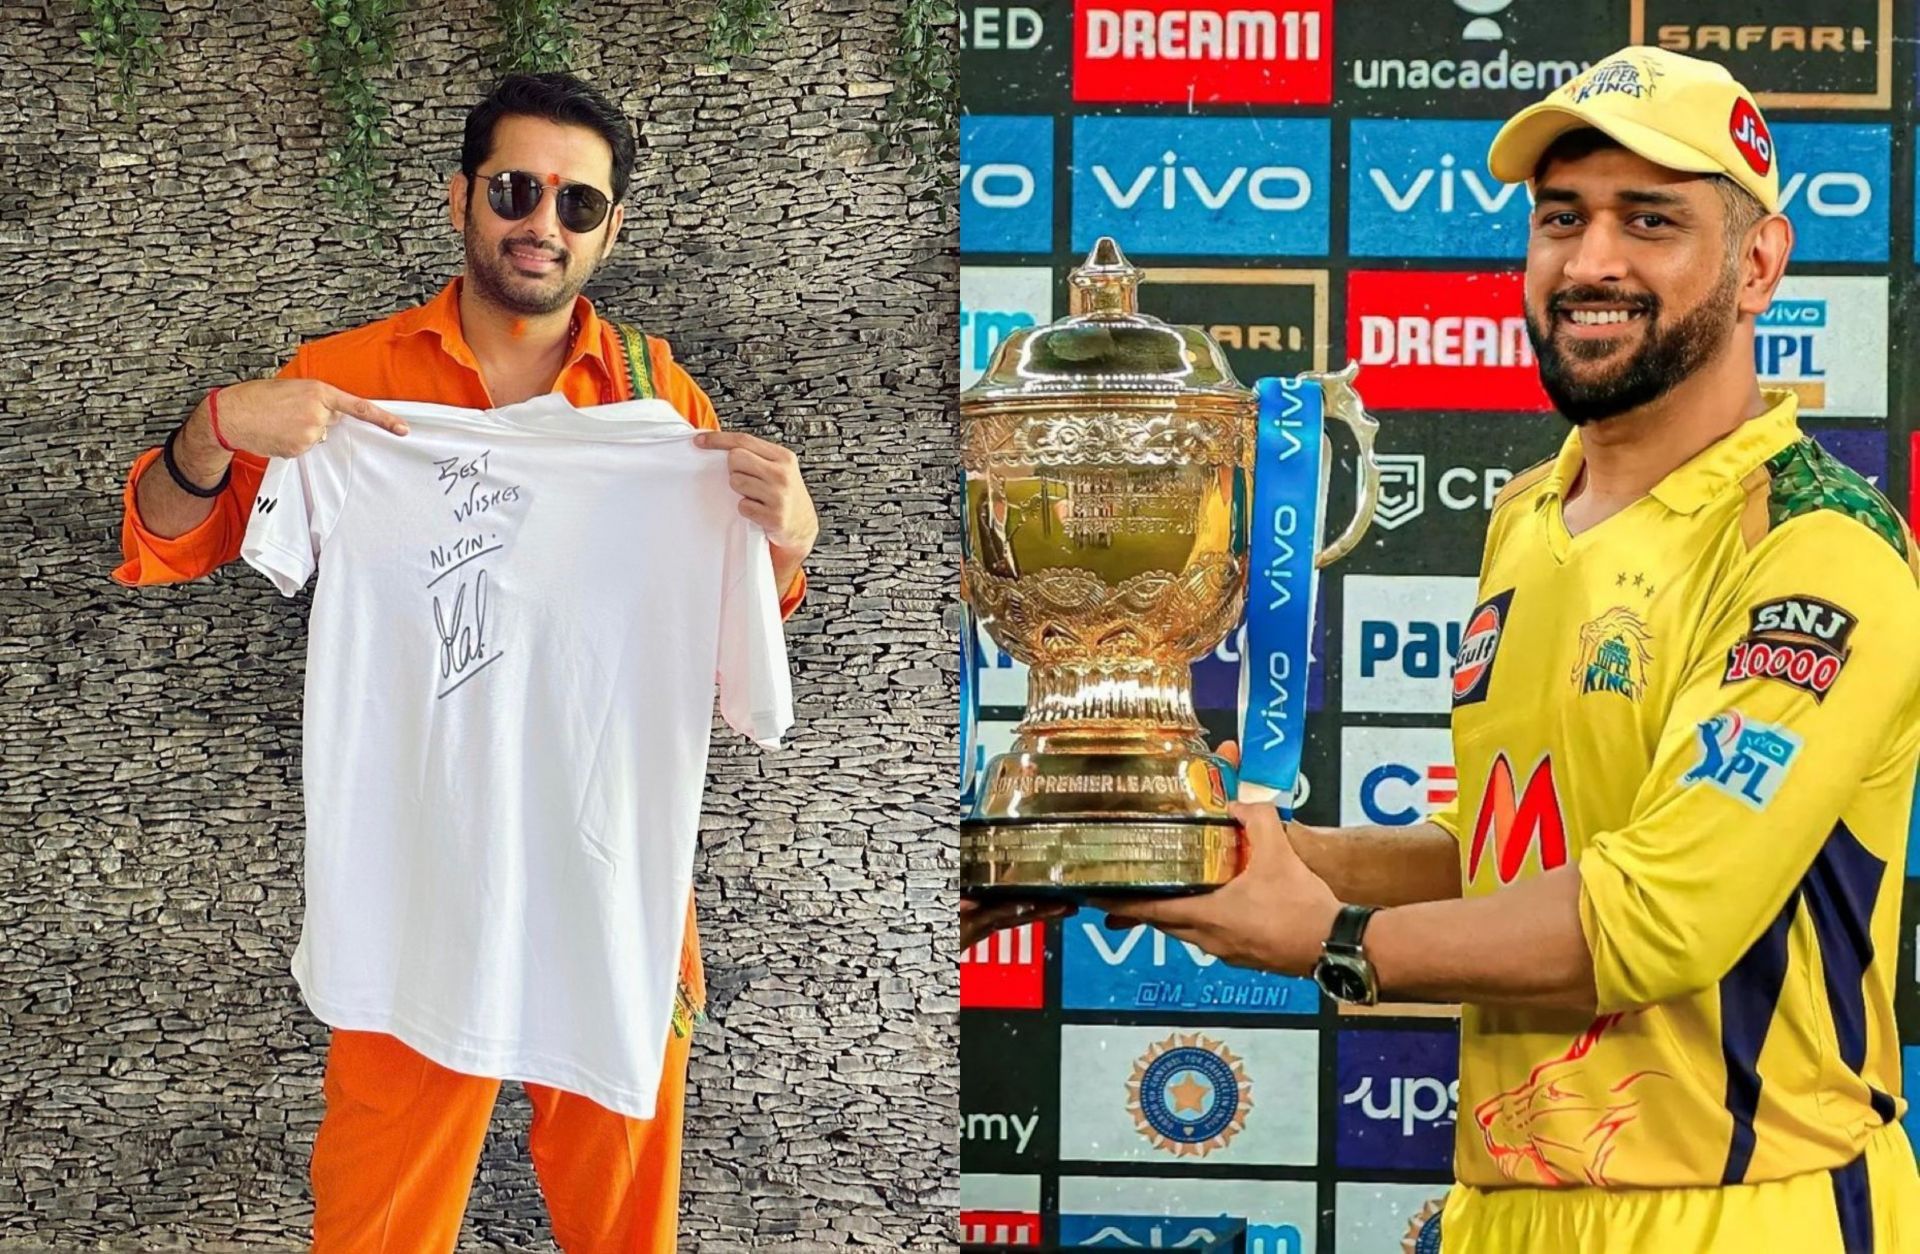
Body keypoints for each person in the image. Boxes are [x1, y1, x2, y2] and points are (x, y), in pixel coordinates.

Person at [1067, 47, 1920, 1252]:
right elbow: (1519, 859)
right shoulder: (1530, 515)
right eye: (1562, 219)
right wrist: (1265, 853)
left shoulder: (1819, 548)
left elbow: (1659, 916)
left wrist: (1326, 938)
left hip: (1745, 1213)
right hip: (1504, 1206)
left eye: (1652, 221)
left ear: (1759, 264)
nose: (1592, 262)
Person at [115, 72, 818, 1252]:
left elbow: (721, 639)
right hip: (414, 882)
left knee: (623, 1229)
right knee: (378, 1225)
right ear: (462, 197)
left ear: (610, 229)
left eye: (577, 203)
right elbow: (167, 541)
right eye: (516, 188)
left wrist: (785, 544)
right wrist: (218, 426)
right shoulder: (347, 379)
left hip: (612, 886)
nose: (543, 221)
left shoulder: (660, 407)